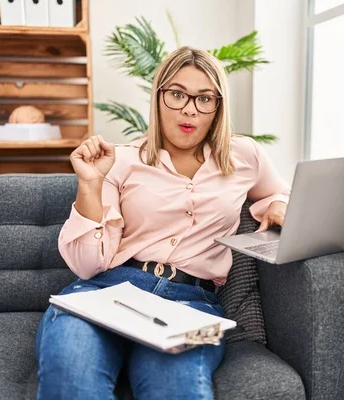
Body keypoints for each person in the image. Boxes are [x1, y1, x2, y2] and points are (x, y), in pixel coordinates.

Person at [34, 46, 291, 400]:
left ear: (218, 107)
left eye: (204, 98)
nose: (189, 108)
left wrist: (277, 205)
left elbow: (281, 194)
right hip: (107, 291)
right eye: (177, 94)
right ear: (158, 99)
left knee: (175, 389)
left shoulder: (244, 155)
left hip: (193, 304)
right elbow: (87, 264)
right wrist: (90, 185)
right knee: (71, 378)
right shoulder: (120, 161)